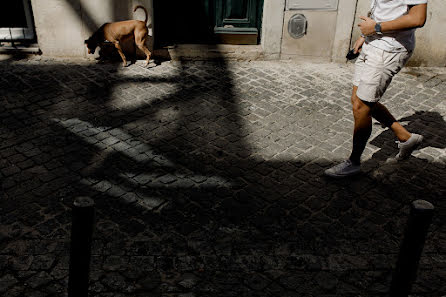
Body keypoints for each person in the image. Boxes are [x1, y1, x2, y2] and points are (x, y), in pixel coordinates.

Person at [325, 0, 428, 178]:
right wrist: (365, 36)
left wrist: (376, 27)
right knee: (359, 101)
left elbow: (418, 18)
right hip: (372, 43)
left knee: (361, 106)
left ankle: (354, 163)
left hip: (388, 51)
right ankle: (405, 136)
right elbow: (383, 8)